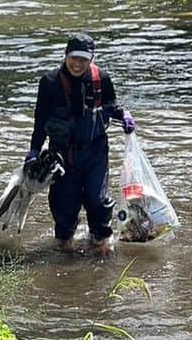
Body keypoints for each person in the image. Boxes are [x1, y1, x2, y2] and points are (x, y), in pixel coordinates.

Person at [26, 33, 136, 255]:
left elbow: (111, 105)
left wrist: (124, 115)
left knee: (98, 200)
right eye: (74, 58)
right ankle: (64, 243)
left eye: (84, 59)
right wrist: (34, 151)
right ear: (65, 55)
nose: (78, 64)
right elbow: (41, 121)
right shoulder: (50, 82)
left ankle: (100, 241)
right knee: (64, 203)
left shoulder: (101, 79)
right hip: (62, 154)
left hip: (95, 152)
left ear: (92, 59)